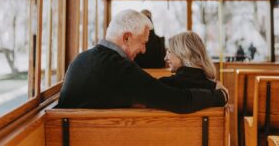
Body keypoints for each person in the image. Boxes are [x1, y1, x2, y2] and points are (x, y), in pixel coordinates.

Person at [58, 9, 227, 113]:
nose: (144, 50)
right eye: (143, 43)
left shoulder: (82, 58)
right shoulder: (119, 68)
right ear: (126, 38)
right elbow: (180, 101)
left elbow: (155, 86)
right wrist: (219, 95)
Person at [160, 32, 228, 100]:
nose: (165, 58)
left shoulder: (163, 85)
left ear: (183, 53)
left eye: (169, 52)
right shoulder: (218, 90)